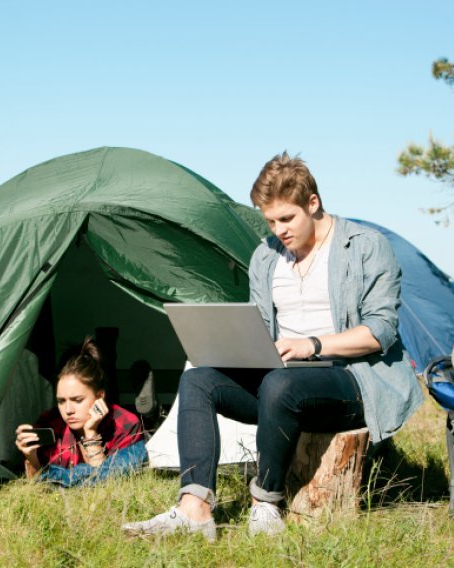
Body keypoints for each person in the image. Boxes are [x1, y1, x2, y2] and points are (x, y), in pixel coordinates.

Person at [122, 152, 423, 540]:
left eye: (286, 219)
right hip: (278, 383)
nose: (278, 230)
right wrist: (235, 347)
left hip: (350, 381)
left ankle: (266, 503)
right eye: (270, 221)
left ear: (312, 203)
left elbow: (379, 332)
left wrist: (311, 346)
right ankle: (194, 508)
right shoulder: (266, 257)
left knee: (281, 386)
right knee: (197, 380)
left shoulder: (365, 246)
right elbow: (263, 328)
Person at [15, 337, 146, 487]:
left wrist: (91, 434)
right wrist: (32, 458)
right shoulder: (50, 423)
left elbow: (108, 483)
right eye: (61, 401)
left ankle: (154, 414)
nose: (68, 410)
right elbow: (40, 488)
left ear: (99, 396)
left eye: (77, 400)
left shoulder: (124, 423)